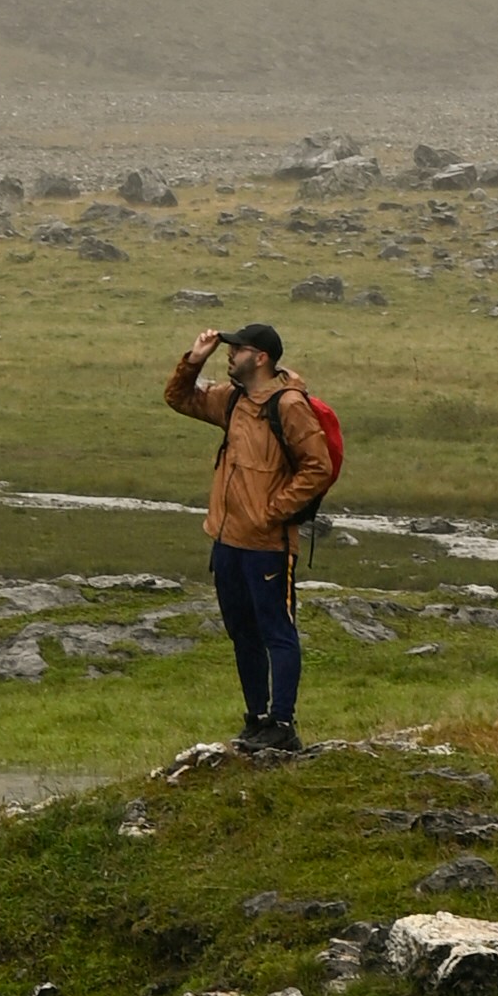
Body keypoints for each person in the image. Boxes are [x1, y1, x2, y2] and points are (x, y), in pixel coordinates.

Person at [162, 316, 334, 757]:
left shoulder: (289, 405)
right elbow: (178, 398)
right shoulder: (234, 401)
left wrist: (272, 513)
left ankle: (283, 723)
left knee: (277, 631)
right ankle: (256, 719)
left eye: (235, 350)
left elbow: (318, 468)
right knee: (242, 631)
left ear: (259, 358)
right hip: (228, 540)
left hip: (268, 544)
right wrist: (192, 361)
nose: (229, 356)